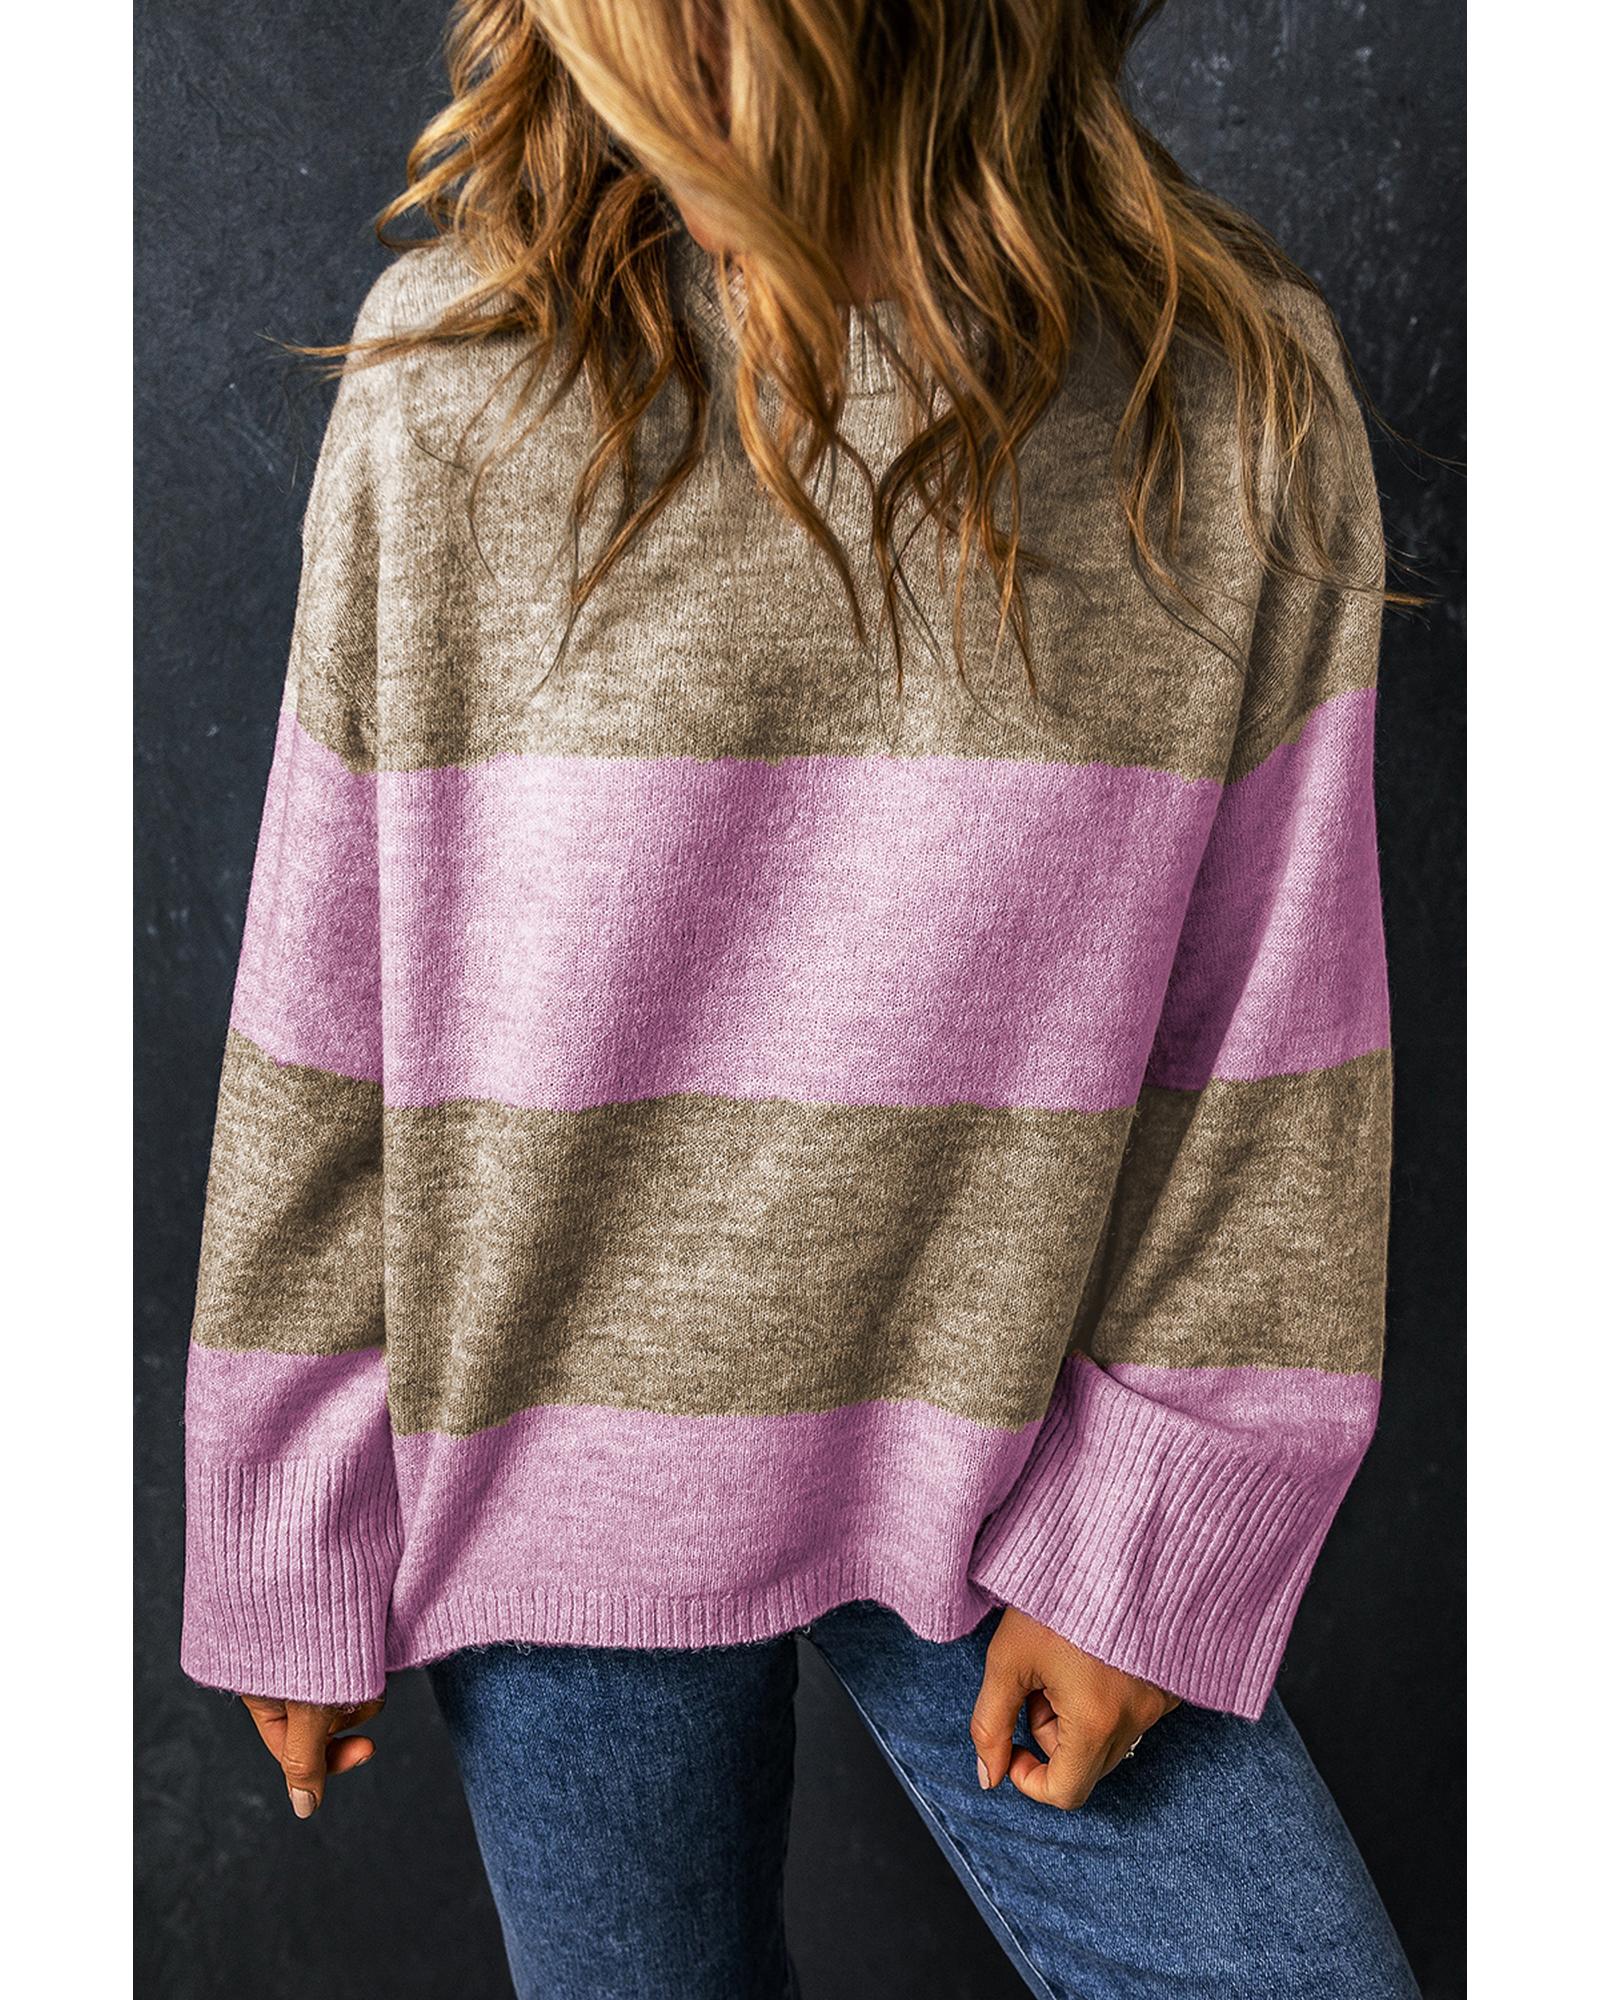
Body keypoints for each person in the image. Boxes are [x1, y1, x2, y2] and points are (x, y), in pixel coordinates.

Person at [177, 3, 1425, 1994]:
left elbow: (1270, 1053)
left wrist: (1148, 1539)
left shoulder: (1223, 405)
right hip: (552, 1476)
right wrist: (291, 1530)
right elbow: (327, 1017)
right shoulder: (456, 390)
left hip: (1011, 1448)